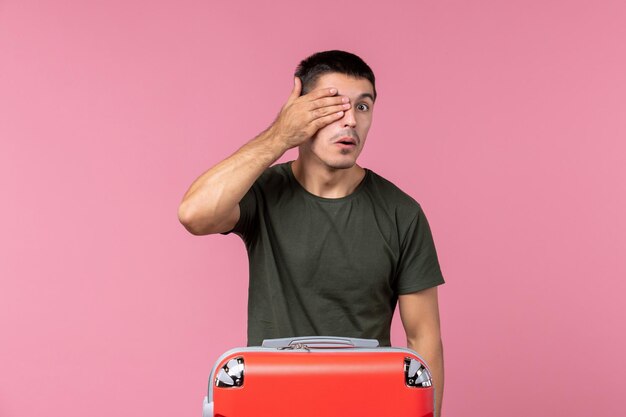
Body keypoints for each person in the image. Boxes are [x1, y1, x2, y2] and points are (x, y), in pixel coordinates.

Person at [178, 50, 445, 416]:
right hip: (272, 402)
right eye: (332, 106)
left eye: (363, 107)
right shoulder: (263, 192)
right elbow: (194, 214)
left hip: (369, 403)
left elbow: (423, 338)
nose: (350, 120)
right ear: (301, 111)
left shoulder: (402, 213)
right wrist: (279, 135)